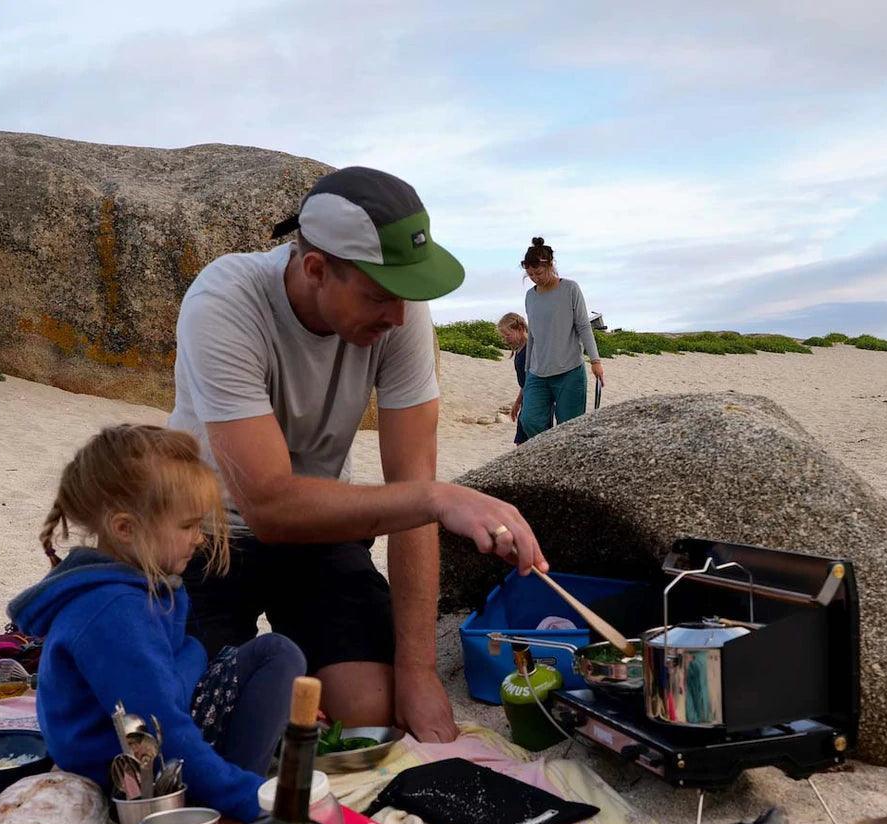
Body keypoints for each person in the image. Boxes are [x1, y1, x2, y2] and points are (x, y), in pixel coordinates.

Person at [168, 166, 547, 744]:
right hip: (205, 534)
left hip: (323, 530)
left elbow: (413, 492)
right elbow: (269, 504)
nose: (396, 316)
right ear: (316, 268)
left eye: (403, 295)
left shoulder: (399, 311)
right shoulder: (226, 300)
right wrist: (436, 498)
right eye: (377, 294)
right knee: (225, 723)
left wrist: (417, 672)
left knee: (368, 713)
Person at [8, 425, 305, 822]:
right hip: (123, 773)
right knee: (277, 656)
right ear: (125, 528)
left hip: (136, 734)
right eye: (188, 526)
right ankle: (222, 798)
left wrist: (192, 655)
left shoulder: (137, 582)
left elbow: (159, 682)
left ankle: (224, 782)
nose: (199, 539)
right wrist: (249, 798)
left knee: (268, 652)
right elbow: (151, 730)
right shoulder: (114, 610)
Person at [519, 237, 605, 439]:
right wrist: (527, 370)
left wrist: (595, 360)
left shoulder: (570, 289)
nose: (535, 278)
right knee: (530, 420)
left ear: (550, 265)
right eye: (530, 274)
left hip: (569, 370)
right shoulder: (530, 296)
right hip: (537, 372)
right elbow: (532, 334)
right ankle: (548, 452)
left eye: (538, 273)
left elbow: (583, 325)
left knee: (570, 428)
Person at [496, 312, 534, 444]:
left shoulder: (530, 348)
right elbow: (524, 383)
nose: (505, 339)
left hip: (535, 397)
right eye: (503, 336)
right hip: (526, 397)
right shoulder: (519, 349)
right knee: (521, 439)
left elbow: (530, 379)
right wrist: (517, 403)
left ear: (520, 329)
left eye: (507, 334)